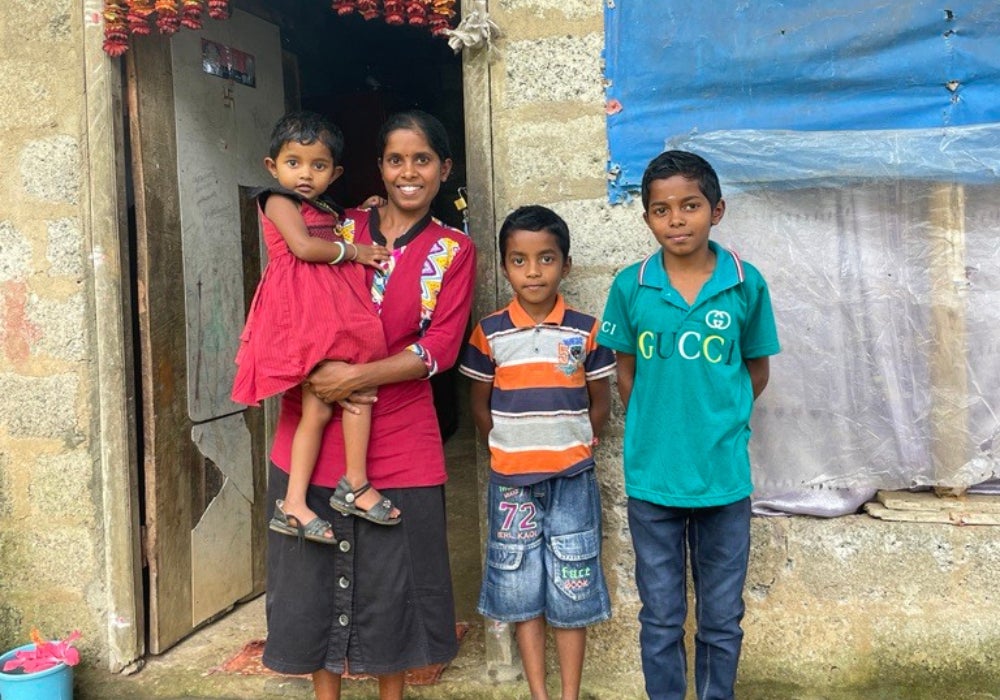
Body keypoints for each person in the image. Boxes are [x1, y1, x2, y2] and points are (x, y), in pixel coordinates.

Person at [261, 110, 476, 700]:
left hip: (401, 438)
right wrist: (318, 372)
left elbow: (439, 350)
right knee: (310, 583)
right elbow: (286, 290)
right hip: (313, 428)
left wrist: (353, 375)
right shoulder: (337, 221)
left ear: (444, 169)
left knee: (394, 589)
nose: (409, 172)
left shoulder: (454, 250)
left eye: (423, 159)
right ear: (379, 167)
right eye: (396, 159)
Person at [597, 151, 781, 700]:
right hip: (653, 477)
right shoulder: (631, 287)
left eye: (690, 206)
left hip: (723, 480)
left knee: (723, 619)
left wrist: (718, 421)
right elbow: (624, 370)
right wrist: (659, 419)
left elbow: (756, 369)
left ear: (716, 210)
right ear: (647, 218)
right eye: (661, 209)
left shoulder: (746, 284)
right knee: (660, 617)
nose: (676, 219)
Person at [460, 205, 615, 700]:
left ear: (565, 265)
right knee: (520, 587)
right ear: (505, 267)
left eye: (546, 259)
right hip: (511, 481)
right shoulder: (489, 333)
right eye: (519, 260)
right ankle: (539, 694)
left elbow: (601, 403)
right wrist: (509, 447)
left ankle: (569, 694)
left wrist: (571, 446)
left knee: (573, 584)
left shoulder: (586, 330)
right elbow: (481, 406)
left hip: (573, 478)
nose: (533, 271)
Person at [232, 111, 400, 545]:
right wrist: (356, 252)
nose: (305, 174)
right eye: (294, 163)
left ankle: (329, 492)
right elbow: (306, 246)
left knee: (342, 397)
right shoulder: (276, 199)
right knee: (335, 401)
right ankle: (318, 495)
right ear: (273, 167)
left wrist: (365, 211)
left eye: (318, 166)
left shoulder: (321, 206)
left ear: (334, 173)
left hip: (329, 306)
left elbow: (331, 225)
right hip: (302, 311)